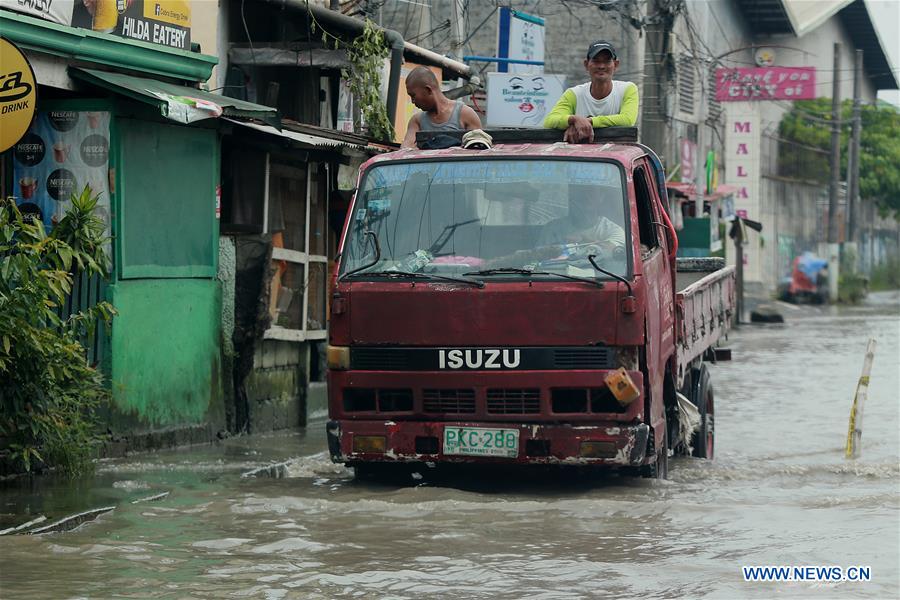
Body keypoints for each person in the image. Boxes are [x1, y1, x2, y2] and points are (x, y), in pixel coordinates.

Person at [543, 40, 639, 143]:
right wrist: (573, 120)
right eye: (596, 61)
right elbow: (549, 121)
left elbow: (627, 120)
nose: (601, 66)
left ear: (616, 65)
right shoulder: (574, 94)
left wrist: (588, 122)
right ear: (586, 64)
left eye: (607, 61)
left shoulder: (627, 89)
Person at [401, 66, 482, 148]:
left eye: (413, 96)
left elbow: (476, 152)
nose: (412, 101)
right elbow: (406, 150)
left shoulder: (466, 115)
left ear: (428, 90)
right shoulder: (417, 121)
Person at [538, 184, 626, 253]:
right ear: (571, 196)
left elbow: (614, 251)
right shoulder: (552, 228)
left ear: (601, 197)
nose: (585, 196)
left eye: (591, 191)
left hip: (603, 276)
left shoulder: (614, 230)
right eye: (580, 192)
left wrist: (583, 240)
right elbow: (536, 257)